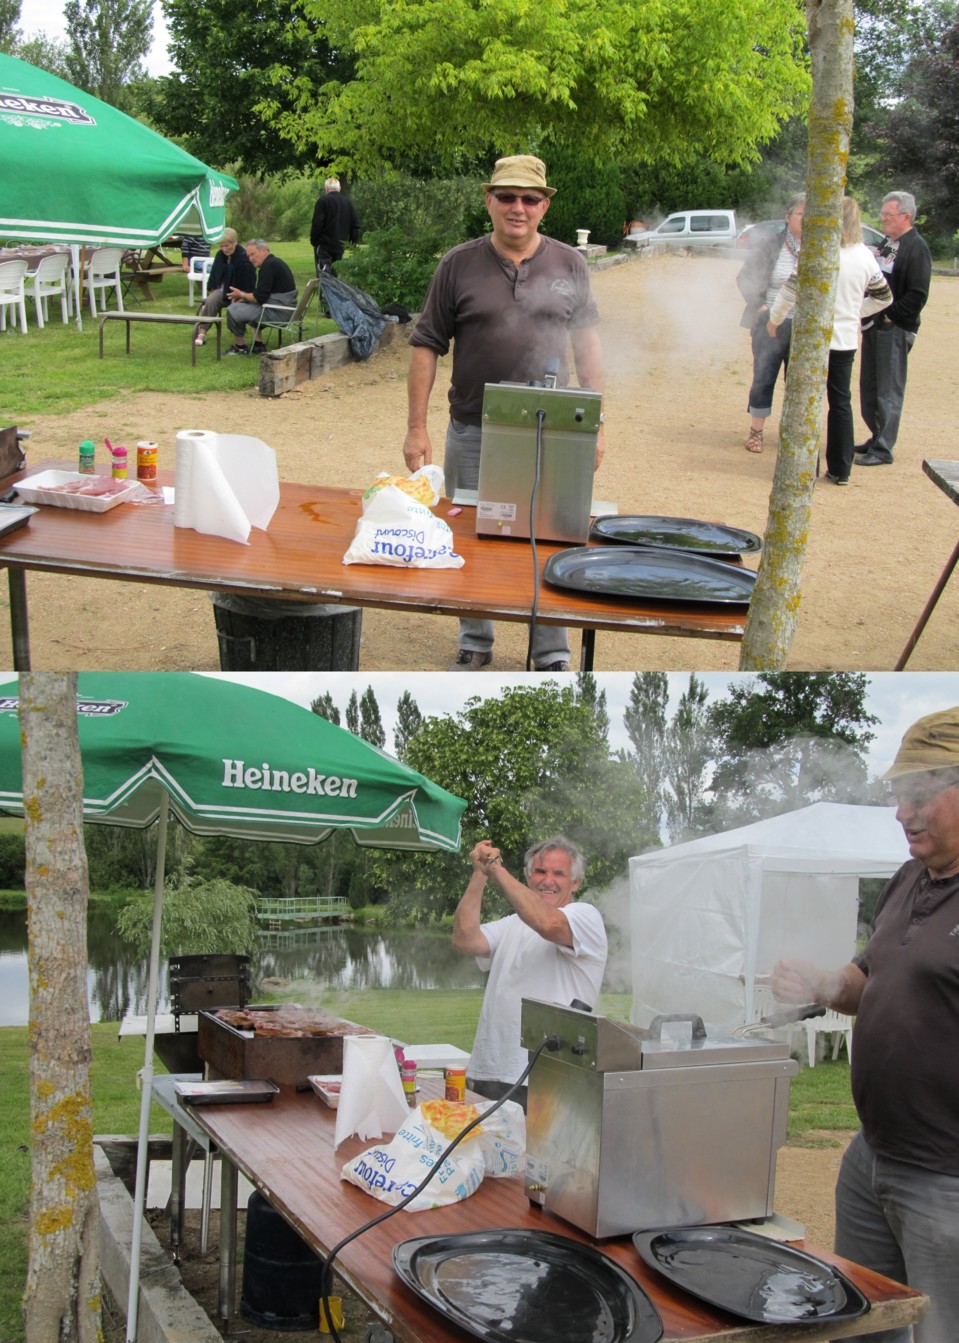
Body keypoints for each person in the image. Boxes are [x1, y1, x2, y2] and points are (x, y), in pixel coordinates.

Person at [770, 705, 959, 1343]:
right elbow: (868, 979)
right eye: (898, 796)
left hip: (947, 1175)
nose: (902, 813)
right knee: (864, 1324)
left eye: (918, 795)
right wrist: (824, 984)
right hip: (871, 1152)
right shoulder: (908, 880)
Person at [402, 154, 605, 672]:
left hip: (551, 432)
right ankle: (476, 640)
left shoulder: (569, 265)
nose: (519, 207)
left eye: (530, 198)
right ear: (489, 200)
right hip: (472, 426)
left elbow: (588, 346)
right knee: (470, 533)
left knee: (553, 535)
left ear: (545, 205)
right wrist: (416, 427)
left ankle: (551, 652)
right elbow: (426, 343)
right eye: (507, 196)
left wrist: (594, 426)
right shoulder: (458, 264)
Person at [452, 835, 608, 1110]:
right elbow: (465, 939)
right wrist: (480, 873)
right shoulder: (512, 924)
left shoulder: (585, 917)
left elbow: (547, 924)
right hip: (488, 1069)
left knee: (534, 1154)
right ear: (528, 877)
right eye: (540, 871)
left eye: (559, 873)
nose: (548, 880)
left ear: (576, 883)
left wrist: (496, 867)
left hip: (544, 1079)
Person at [766, 197, 892, 485]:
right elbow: (884, 297)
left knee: (803, 401)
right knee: (840, 402)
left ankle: (804, 466)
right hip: (844, 340)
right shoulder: (864, 256)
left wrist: (774, 319)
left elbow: (789, 292)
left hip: (811, 338)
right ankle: (840, 468)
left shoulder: (818, 251)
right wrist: (854, 314)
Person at [855, 190, 932, 467]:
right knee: (870, 385)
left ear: (906, 217)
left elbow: (917, 295)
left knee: (888, 388)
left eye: (889, 214)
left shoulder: (916, 247)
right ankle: (876, 437)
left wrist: (888, 316)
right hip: (873, 324)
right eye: (883, 213)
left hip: (893, 328)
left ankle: (884, 448)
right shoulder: (890, 243)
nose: (883, 218)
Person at [736, 193, 805, 453]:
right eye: (801, 214)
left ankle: (793, 433)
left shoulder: (818, 250)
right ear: (788, 218)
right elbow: (745, 278)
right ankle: (756, 431)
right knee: (764, 376)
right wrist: (760, 305)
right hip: (769, 323)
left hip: (803, 325)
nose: (806, 219)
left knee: (798, 381)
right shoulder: (771, 245)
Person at [224, 239, 297, 357]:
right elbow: (262, 294)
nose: (250, 258)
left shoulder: (269, 266)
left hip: (279, 312)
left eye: (252, 254)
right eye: (248, 255)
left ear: (263, 251)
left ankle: (240, 347)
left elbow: (259, 298)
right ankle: (258, 345)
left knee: (233, 310)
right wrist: (246, 299)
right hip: (287, 308)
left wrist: (241, 295)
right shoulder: (274, 262)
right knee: (246, 306)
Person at [193, 228, 256, 348]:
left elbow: (249, 281)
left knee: (235, 309)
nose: (224, 249)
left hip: (241, 292)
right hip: (223, 290)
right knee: (211, 300)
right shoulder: (220, 255)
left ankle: (240, 342)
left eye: (227, 245)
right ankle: (202, 333)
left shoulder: (244, 257)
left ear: (234, 243)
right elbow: (215, 276)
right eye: (221, 246)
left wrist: (240, 295)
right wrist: (212, 290)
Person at [310, 176, 361, 275]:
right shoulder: (347, 203)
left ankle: (325, 291)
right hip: (339, 245)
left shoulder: (323, 201)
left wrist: (314, 240)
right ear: (339, 189)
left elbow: (317, 223)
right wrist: (352, 243)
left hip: (324, 245)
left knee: (324, 275)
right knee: (335, 275)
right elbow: (355, 225)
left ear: (326, 189)